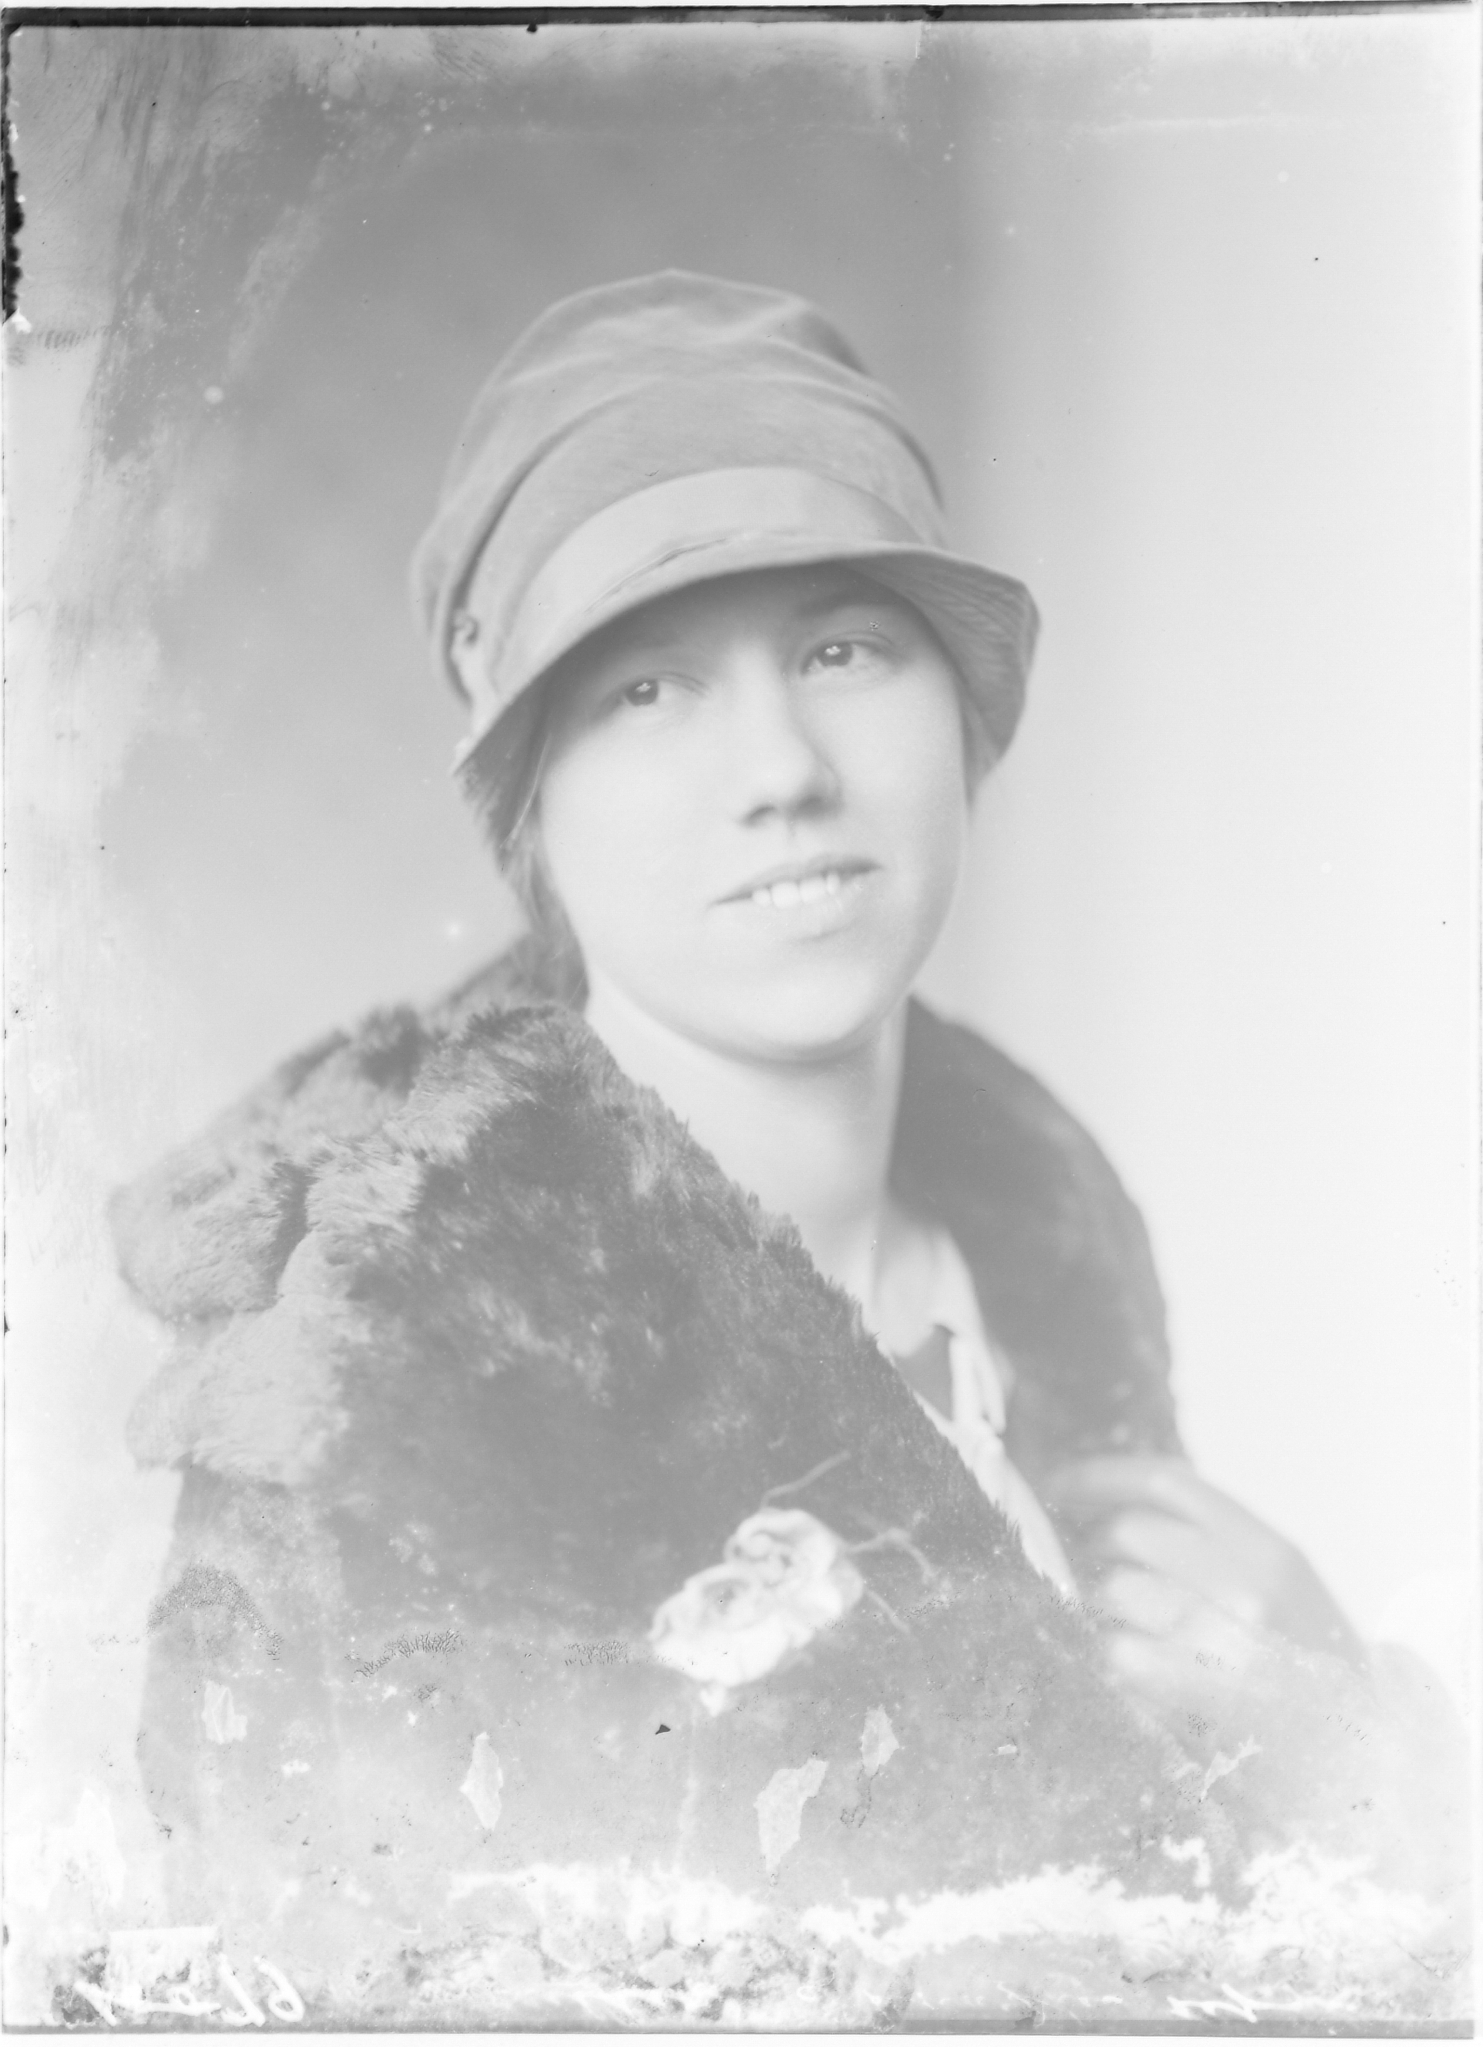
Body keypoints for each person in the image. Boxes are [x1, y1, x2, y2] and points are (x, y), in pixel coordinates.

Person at [110, 273, 1461, 2023]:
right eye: (648, 687)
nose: (780, 768)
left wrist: (1343, 1736)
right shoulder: (389, 1382)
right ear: (534, 811)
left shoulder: (1054, 1261)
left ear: (964, 715)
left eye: (842, 651)